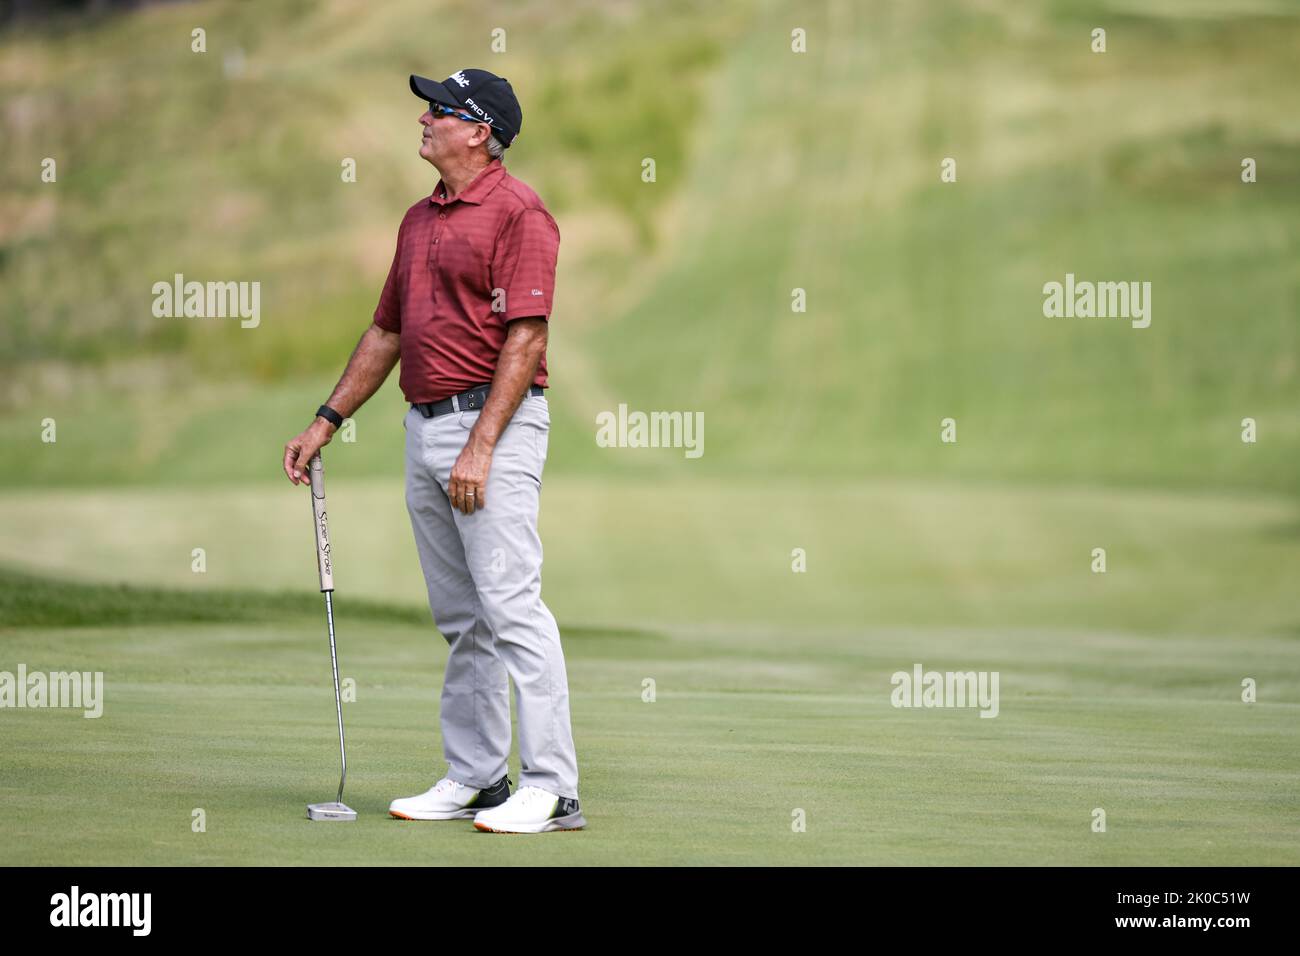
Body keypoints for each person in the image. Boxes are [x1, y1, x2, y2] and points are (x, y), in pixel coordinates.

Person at [281, 68, 583, 833]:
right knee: (462, 617)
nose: (424, 117)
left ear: (479, 131)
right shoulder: (419, 219)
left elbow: (528, 336)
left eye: (440, 110)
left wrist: (481, 446)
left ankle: (553, 788)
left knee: (512, 605)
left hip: (494, 426)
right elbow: (387, 331)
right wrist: (326, 420)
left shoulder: (520, 212)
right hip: (424, 426)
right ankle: (479, 778)